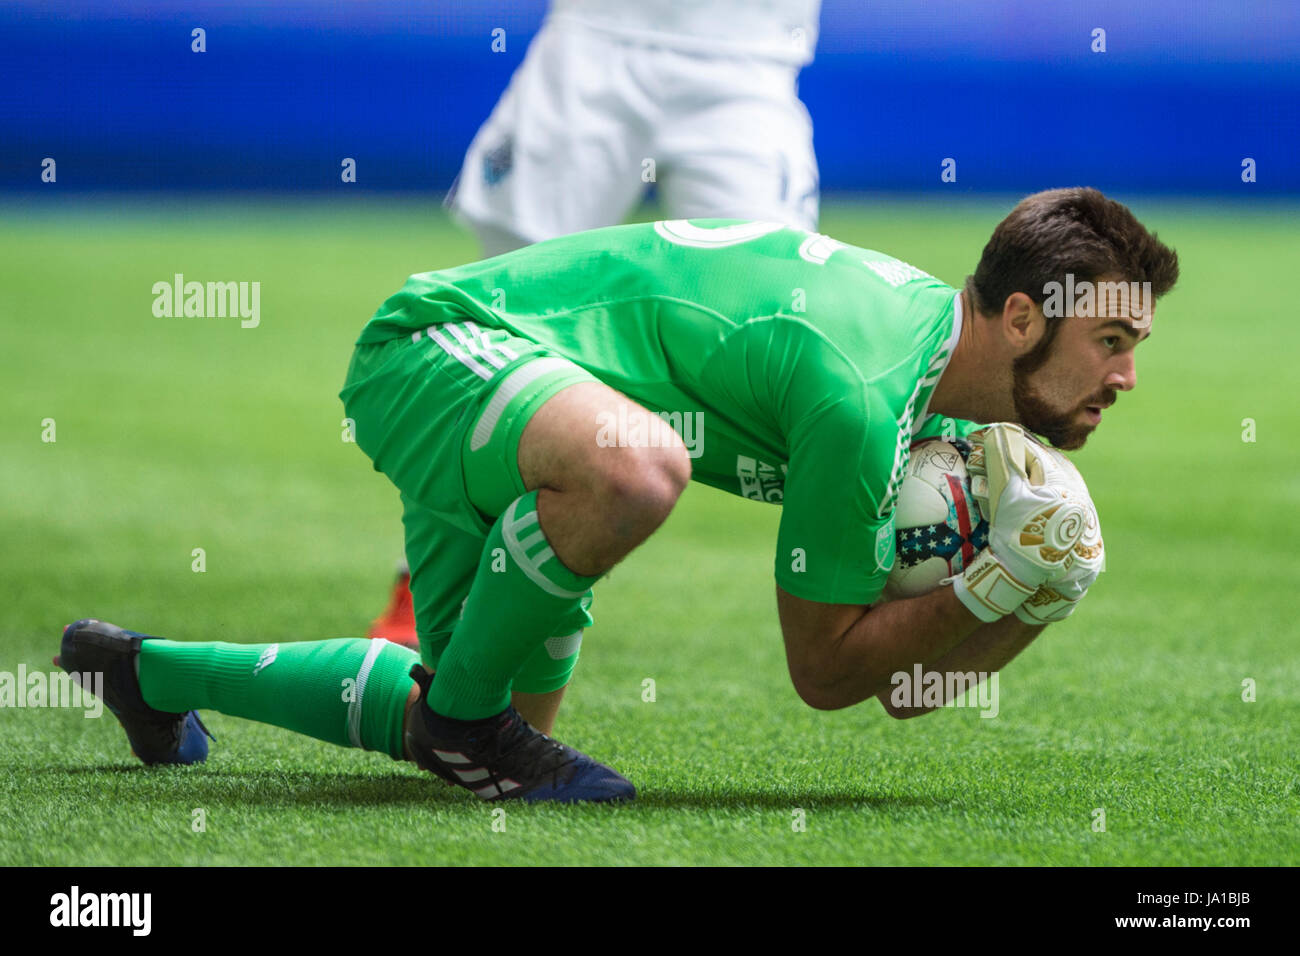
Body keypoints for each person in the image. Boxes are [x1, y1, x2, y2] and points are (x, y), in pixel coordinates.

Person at [57, 187, 1179, 804]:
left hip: (516, 407)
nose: (1125, 378)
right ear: (1023, 319)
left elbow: (901, 684)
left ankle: (143, 670)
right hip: (441, 347)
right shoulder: (860, 400)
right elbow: (827, 668)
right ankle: (463, 719)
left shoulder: (934, 395)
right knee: (637, 468)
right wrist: (993, 591)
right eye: (1112, 340)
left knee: (467, 717)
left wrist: (1027, 595)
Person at [368, 0, 823, 644]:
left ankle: (861, 564)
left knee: (785, 320)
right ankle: (427, 581)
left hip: (751, 52)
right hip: (593, 39)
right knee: (502, 321)